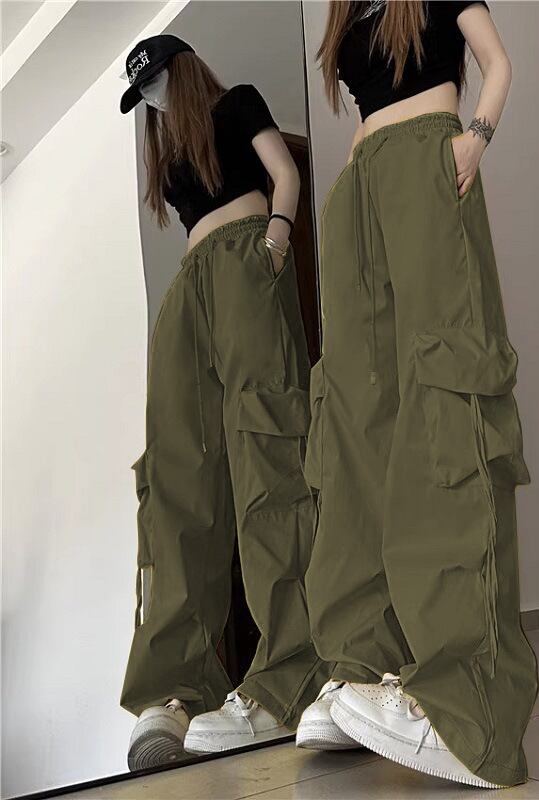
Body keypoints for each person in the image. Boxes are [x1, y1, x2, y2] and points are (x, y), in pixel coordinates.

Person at [294, 0, 538, 789]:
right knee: (356, 416)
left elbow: (498, 63)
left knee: (447, 400)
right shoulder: (349, 12)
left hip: (432, 163)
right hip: (359, 188)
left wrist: (478, 138)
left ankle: (470, 708)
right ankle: (365, 663)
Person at [118, 34, 327, 770]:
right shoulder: (170, 150)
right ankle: (175, 687)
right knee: (178, 473)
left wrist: (276, 244)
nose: (151, 101)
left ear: (179, 69)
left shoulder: (236, 104)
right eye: (139, 96)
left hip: (247, 260)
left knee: (269, 456)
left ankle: (293, 671)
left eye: (153, 83)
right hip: (192, 288)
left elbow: (284, 174)